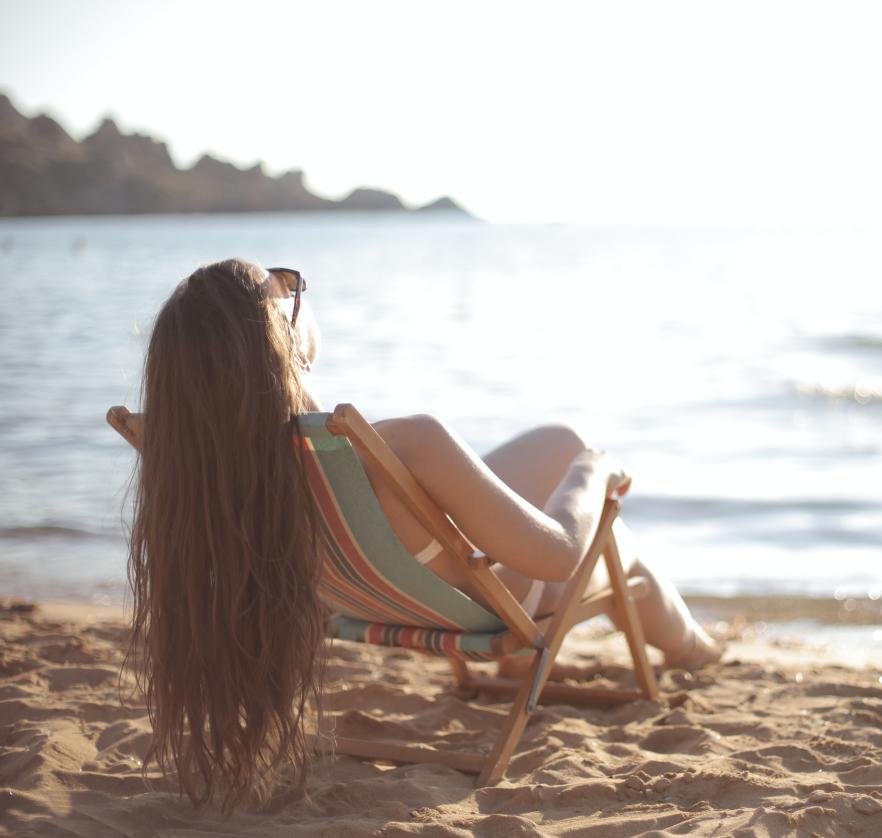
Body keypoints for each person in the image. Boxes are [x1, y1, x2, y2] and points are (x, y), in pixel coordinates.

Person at [126, 258, 721, 810]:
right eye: (287, 289)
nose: (297, 291)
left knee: (555, 442)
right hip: (492, 606)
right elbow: (559, 555)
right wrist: (595, 471)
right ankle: (697, 650)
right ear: (283, 343)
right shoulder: (406, 442)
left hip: (387, 595)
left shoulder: (214, 469)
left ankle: (638, 647)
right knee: (616, 545)